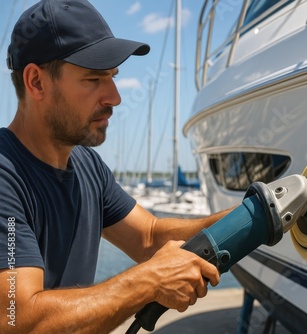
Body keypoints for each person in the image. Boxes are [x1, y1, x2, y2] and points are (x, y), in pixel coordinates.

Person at [0, 0, 230, 332]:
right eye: (94, 79)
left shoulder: (86, 165)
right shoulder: (5, 175)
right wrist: (148, 281)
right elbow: (15, 318)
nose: (115, 96)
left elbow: (149, 237)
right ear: (37, 82)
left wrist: (251, 217)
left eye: (113, 77)